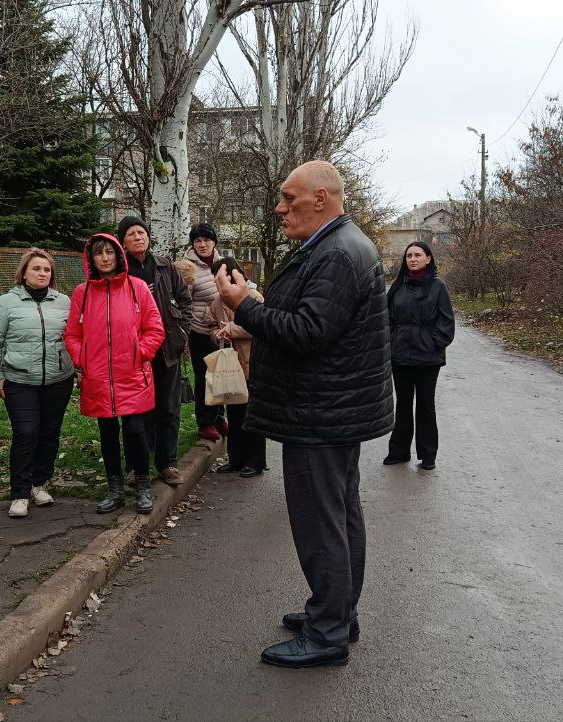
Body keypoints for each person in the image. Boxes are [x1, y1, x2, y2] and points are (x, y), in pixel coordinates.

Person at [215, 160, 393, 669]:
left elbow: (308, 334)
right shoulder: (339, 244)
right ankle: (338, 611)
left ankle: (328, 632)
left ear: (321, 198)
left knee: (322, 525)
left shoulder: (337, 254)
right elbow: (315, 320)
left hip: (322, 414)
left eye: (288, 199)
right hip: (332, 410)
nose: (279, 208)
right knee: (341, 516)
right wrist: (258, 301)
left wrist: (243, 307)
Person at [65, 233, 164, 515]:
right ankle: (115, 490)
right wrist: (82, 357)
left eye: (110, 252)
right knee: (107, 434)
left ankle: (143, 488)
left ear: (119, 255)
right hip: (98, 377)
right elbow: (72, 333)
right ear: (91, 258)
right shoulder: (82, 293)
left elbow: (154, 329)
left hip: (131, 375)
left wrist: (139, 353)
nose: (105, 258)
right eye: (99, 253)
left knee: (135, 432)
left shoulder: (137, 288)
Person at [0, 249, 74, 519]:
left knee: (50, 433)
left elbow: (72, 337)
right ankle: (19, 493)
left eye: (47, 270)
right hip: (19, 380)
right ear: (24, 272)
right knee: (26, 433)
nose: (42, 274)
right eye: (36, 269)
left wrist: (77, 368)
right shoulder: (6, 302)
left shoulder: (63, 302)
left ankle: (39, 484)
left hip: (58, 379)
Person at [117, 216, 191, 485]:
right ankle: (137, 466)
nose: (138, 237)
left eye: (141, 232)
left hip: (167, 349)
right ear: (123, 242)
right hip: (134, 355)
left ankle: (167, 463)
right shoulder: (119, 271)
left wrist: (182, 331)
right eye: (131, 234)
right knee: (137, 412)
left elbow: (184, 298)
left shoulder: (164, 265)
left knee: (168, 409)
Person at [383, 241, 455, 471]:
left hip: (428, 359)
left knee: (425, 405)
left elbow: (447, 325)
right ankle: (399, 451)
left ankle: (428, 455)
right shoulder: (397, 287)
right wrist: (392, 341)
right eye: (408, 256)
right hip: (400, 356)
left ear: (428, 258)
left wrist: (432, 343)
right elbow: (388, 319)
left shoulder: (438, 287)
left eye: (417, 255)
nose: (412, 259)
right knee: (403, 404)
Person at [209, 256, 266, 478]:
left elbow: (262, 327)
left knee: (252, 415)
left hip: (252, 363)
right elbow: (210, 326)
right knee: (234, 414)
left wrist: (232, 330)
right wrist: (217, 334)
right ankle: (236, 459)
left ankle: (256, 461)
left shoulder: (253, 296)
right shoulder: (216, 301)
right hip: (229, 366)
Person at [182, 223, 226, 441]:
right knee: (204, 377)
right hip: (199, 331)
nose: (202, 244)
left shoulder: (222, 262)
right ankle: (205, 422)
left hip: (222, 330)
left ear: (214, 241)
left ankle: (219, 417)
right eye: (197, 240)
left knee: (221, 375)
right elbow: (184, 302)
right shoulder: (188, 267)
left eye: (206, 240)